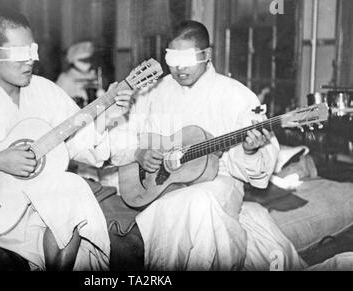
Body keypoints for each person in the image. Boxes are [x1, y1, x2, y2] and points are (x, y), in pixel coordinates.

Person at [0, 8, 133, 271]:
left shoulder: (46, 92)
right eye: (19, 54)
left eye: (31, 51)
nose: (29, 61)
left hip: (45, 215)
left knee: (71, 190)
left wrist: (108, 113)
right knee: (70, 192)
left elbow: (83, 145)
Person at [109, 20, 305, 270]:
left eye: (187, 58)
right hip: (161, 185)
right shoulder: (155, 91)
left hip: (219, 182)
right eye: (172, 58)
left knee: (199, 202)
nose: (179, 67)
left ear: (207, 55)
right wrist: (141, 153)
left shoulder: (235, 95)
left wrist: (250, 150)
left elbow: (259, 169)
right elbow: (129, 134)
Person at [56, 41, 104, 108]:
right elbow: (59, 102)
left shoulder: (92, 75)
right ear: (73, 60)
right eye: (83, 60)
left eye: (89, 60)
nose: (87, 63)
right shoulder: (65, 78)